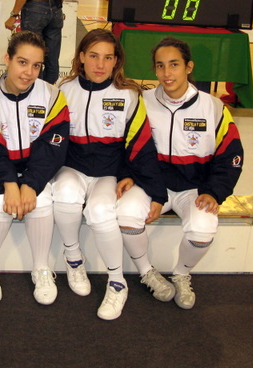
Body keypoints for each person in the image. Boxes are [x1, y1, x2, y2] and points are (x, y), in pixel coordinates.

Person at [52, 28, 170, 320]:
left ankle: (117, 282)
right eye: (93, 56)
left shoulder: (128, 94)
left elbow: (141, 144)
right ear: (81, 57)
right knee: (65, 192)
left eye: (107, 58)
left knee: (101, 210)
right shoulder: (63, 89)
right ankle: (73, 257)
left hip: (107, 174)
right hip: (71, 168)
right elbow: (48, 137)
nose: (100, 65)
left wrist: (152, 190)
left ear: (117, 61)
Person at [142, 37, 244, 309]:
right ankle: (146, 272)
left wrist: (214, 191)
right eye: (160, 66)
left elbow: (232, 156)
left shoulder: (213, 107)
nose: (167, 73)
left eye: (174, 65)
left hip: (194, 189)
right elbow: (129, 149)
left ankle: (181, 274)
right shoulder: (142, 102)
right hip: (154, 187)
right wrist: (137, 182)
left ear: (189, 67)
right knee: (126, 214)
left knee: (203, 230)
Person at [0, 31, 69, 305]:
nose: (28, 73)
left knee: (42, 200)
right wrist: (8, 182)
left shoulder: (52, 96)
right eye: (22, 62)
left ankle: (41, 268)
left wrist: (30, 183)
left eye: (36, 65)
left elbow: (53, 148)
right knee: (0, 201)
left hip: (36, 171)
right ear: (8, 59)